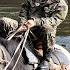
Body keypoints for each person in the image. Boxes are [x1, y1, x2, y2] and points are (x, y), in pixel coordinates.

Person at [0, 0, 68, 69]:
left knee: (48, 29)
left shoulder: (61, 5)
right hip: (26, 27)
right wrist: (23, 24)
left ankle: (46, 59)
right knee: (4, 21)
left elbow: (54, 20)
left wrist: (35, 22)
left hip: (41, 31)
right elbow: (24, 10)